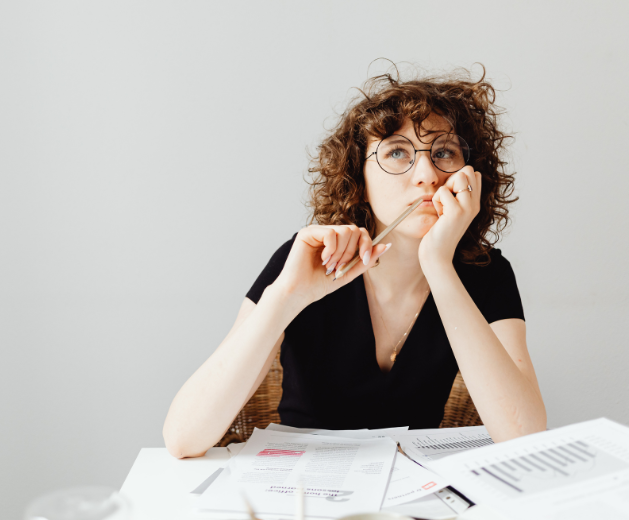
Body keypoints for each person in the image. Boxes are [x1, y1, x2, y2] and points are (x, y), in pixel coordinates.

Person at [164, 66, 547, 459]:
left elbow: (524, 436)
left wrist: (438, 264)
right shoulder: (308, 259)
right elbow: (182, 439)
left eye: (444, 152)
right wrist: (287, 296)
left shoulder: (486, 272)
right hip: (300, 491)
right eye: (397, 151)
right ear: (359, 180)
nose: (427, 175)